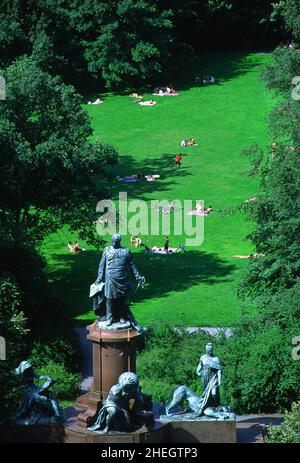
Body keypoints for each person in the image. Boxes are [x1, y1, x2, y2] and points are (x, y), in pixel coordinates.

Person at [94, 234, 145, 327]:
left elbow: (132, 266)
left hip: (122, 278)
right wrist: (99, 278)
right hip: (110, 278)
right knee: (109, 299)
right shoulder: (107, 250)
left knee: (121, 298)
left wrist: (138, 277)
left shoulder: (126, 251)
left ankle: (122, 316)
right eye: (113, 241)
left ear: (119, 241)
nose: (115, 243)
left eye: (116, 242)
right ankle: (109, 318)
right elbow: (101, 265)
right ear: (111, 240)